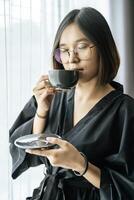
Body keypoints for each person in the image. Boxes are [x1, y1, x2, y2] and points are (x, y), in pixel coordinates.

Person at [9, 7, 134, 200]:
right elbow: (24, 151)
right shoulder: (52, 97)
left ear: (103, 47)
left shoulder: (125, 110)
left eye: (82, 47)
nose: (72, 59)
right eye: (64, 51)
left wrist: (80, 164)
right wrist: (41, 111)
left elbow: (129, 188)